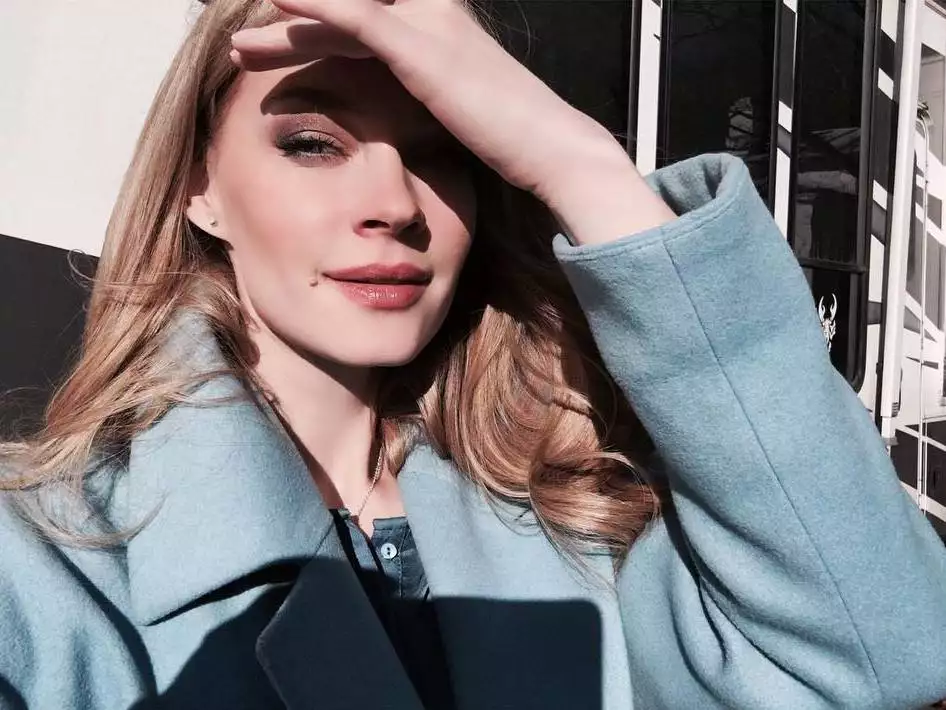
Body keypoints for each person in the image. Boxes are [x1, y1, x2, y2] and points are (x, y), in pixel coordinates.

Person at [1, 0, 945, 708]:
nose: (396, 205)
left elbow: (883, 652)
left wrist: (575, 159)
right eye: (314, 144)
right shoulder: (47, 565)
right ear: (198, 189)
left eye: (442, 151)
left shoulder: (584, 518)